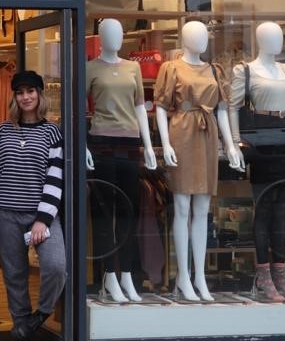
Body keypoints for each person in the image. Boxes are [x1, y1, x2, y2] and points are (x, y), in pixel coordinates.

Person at [155, 21, 241, 302]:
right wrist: (166, 142)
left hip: (207, 137)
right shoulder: (172, 68)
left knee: (202, 207)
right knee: (181, 206)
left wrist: (229, 144)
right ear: (184, 38)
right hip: (182, 132)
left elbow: (222, 110)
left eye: (205, 35)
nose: (203, 39)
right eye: (197, 35)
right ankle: (182, 274)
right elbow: (160, 107)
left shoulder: (215, 70)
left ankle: (199, 275)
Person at [0, 69, 65, 341]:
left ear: (40, 95)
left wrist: (43, 219)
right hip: (4, 214)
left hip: (41, 214)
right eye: (20, 92)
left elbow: (56, 180)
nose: (26, 97)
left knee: (56, 266)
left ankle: (38, 317)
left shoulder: (53, 132)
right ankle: (20, 335)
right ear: (15, 97)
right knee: (14, 277)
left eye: (31, 91)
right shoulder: (3, 131)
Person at [85, 18, 157, 303]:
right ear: (100, 37)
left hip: (130, 144)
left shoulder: (133, 67)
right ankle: (109, 276)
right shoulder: (89, 68)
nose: (115, 38)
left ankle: (127, 273)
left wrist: (148, 145)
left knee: (129, 212)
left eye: (119, 33)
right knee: (105, 213)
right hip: (101, 143)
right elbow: (78, 108)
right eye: (109, 33)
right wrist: (83, 145)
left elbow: (140, 107)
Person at [228, 21, 285, 302]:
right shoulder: (246, 71)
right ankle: (263, 274)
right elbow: (232, 107)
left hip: (284, 141)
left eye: (279, 36)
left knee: (283, 211)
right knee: (264, 208)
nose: (278, 41)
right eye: (271, 36)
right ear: (260, 39)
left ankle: (280, 271)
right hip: (261, 142)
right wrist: (235, 143)